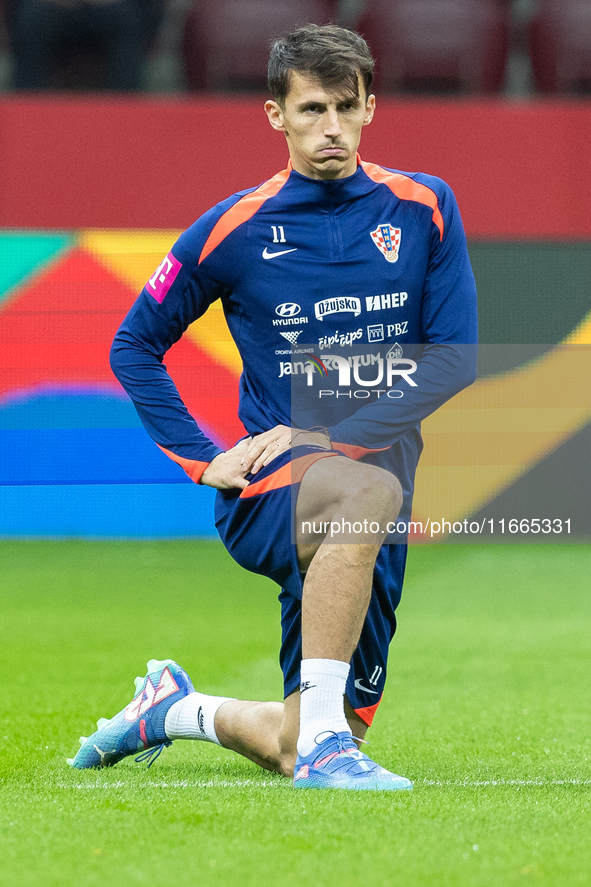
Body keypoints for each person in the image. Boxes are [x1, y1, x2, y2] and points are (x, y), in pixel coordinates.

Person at [70, 24, 477, 790]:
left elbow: (452, 358)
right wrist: (201, 458)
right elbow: (135, 345)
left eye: (345, 107)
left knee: (296, 734)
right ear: (274, 116)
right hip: (276, 489)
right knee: (367, 490)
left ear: (369, 108)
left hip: (369, 507)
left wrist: (332, 430)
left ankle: (172, 710)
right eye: (312, 108)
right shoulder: (232, 227)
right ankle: (331, 752)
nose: (331, 126)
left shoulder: (424, 208)